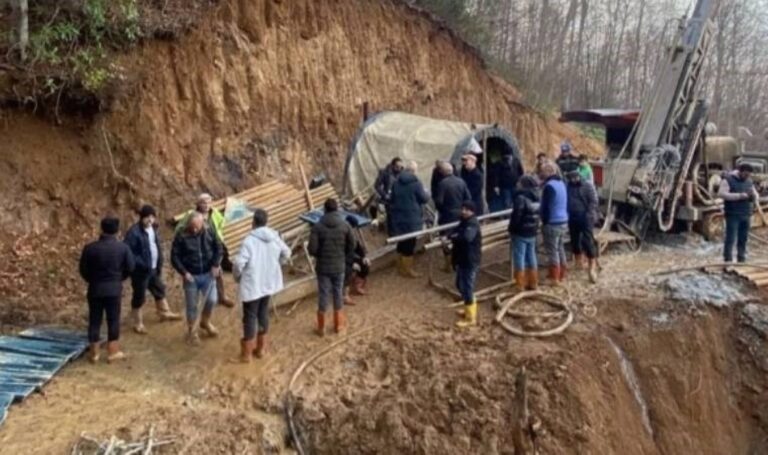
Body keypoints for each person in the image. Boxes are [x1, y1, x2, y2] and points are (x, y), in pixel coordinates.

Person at [232, 209, 291, 363]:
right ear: (266, 221)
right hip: (268, 282)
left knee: (250, 317)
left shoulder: (249, 241)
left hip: (252, 284)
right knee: (263, 312)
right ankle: (261, 350)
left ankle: (247, 355)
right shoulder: (274, 237)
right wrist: (278, 264)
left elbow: (238, 263)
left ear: (253, 222)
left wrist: (238, 277)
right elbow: (287, 253)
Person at [79, 216, 135, 363]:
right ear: (117, 231)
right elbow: (131, 267)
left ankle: (94, 354)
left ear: (101, 229)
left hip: (95, 289)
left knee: (94, 320)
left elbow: (83, 270)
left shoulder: (90, 248)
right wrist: (119, 278)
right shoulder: (123, 248)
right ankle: (112, 352)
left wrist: (92, 280)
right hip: (114, 289)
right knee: (113, 320)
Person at [124, 205, 181, 335]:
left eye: (152, 217)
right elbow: (128, 252)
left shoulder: (153, 229)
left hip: (154, 268)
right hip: (140, 271)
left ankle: (164, 313)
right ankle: (138, 323)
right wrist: (141, 263)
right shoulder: (134, 232)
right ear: (141, 217)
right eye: (147, 217)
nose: (150, 220)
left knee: (159, 289)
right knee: (139, 296)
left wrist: (159, 262)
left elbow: (155, 246)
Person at [171, 212, 223, 346]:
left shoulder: (209, 231)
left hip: (208, 274)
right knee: (191, 306)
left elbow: (219, 248)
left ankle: (205, 322)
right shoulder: (181, 236)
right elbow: (174, 257)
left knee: (212, 299)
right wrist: (183, 272)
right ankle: (192, 331)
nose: (194, 230)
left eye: (197, 227)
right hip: (191, 276)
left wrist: (215, 265)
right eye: (192, 226)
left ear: (202, 224)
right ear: (188, 224)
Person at [308, 198, 357, 336]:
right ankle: (339, 326)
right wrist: (343, 255)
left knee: (323, 295)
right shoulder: (345, 225)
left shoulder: (317, 227)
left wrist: (320, 255)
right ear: (336, 209)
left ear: (325, 209)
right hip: (339, 266)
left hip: (323, 268)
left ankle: (321, 328)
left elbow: (312, 249)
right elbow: (352, 245)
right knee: (337, 294)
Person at [176, 193, 234, 308]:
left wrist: (218, 238)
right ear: (198, 203)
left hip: (213, 247)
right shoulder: (191, 215)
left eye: (208, 202)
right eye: (203, 202)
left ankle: (222, 296)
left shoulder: (215, 213)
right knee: (201, 273)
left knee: (219, 272)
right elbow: (179, 229)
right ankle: (197, 300)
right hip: (198, 248)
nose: (206, 205)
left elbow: (221, 224)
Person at [389, 160, 429, 278]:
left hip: (398, 216)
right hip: (412, 217)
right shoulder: (416, 183)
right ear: (414, 171)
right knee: (410, 243)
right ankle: (408, 270)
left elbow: (392, 199)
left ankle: (400, 266)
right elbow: (424, 199)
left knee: (401, 240)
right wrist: (427, 193)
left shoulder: (396, 182)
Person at [719, 163, 760, 263]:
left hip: (746, 214)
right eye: (745, 174)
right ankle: (728, 259)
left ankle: (741, 259)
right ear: (740, 171)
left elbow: (756, 195)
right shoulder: (728, 180)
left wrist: (754, 197)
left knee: (743, 238)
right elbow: (721, 194)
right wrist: (740, 196)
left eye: (749, 175)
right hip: (733, 214)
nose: (747, 177)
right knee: (731, 238)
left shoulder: (749, 181)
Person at [434, 160, 472, 271]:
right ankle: (458, 262)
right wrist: (463, 209)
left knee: (445, 238)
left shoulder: (442, 184)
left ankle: (448, 264)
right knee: (459, 237)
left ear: (443, 172)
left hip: (447, 215)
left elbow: (439, 201)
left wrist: (442, 210)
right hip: (460, 214)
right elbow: (468, 197)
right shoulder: (461, 182)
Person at [451, 201, 482, 328]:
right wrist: (449, 235)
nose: (463, 211)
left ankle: (471, 318)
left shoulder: (472, 224)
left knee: (467, 287)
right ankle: (468, 306)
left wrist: (454, 238)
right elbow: (455, 231)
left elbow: (467, 238)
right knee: (459, 284)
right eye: (463, 208)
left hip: (470, 260)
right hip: (462, 258)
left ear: (472, 211)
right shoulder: (463, 222)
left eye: (467, 209)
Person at [566, 170, 600, 283]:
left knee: (587, 240)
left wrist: (589, 214)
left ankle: (592, 264)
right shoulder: (568, 186)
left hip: (585, 216)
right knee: (574, 240)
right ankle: (578, 262)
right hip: (572, 216)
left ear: (579, 176)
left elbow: (594, 201)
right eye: (571, 178)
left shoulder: (587, 185)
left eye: (575, 178)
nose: (573, 180)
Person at [508, 176, 541, 291]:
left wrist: (511, 229)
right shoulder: (537, 197)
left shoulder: (520, 198)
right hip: (532, 231)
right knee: (531, 256)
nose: (517, 184)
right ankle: (533, 282)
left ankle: (520, 284)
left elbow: (516, 217)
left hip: (521, 232)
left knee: (519, 257)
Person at [540, 162, 569, 283]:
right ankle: (563, 273)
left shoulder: (549, 186)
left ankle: (554, 277)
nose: (541, 174)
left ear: (548, 172)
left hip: (553, 222)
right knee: (560, 248)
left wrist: (544, 221)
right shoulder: (561, 183)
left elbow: (546, 207)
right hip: (563, 220)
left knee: (552, 250)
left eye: (543, 171)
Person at [344, 216, 370, 304]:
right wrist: (351, 264)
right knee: (347, 271)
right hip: (341, 260)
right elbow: (339, 254)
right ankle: (344, 296)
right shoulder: (340, 236)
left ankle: (357, 286)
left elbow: (358, 247)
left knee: (365, 265)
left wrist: (364, 257)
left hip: (350, 257)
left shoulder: (352, 235)